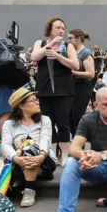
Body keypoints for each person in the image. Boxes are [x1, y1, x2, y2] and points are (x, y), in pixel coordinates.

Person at [31, 16, 79, 166]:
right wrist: (50, 46)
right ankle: (51, 152)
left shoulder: (68, 46)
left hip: (64, 90)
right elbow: (34, 57)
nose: (61, 30)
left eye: (63, 28)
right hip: (44, 89)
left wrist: (58, 56)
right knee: (47, 122)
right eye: (58, 27)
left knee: (63, 122)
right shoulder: (40, 43)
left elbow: (75, 65)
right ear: (50, 29)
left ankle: (65, 153)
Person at [1, 88, 56, 207]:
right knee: (25, 151)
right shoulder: (9, 124)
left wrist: (41, 156)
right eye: (33, 101)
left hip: (44, 162)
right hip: (19, 162)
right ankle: (23, 182)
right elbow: (5, 145)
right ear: (21, 106)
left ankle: (29, 191)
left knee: (29, 149)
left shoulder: (44, 120)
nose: (37, 102)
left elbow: (45, 140)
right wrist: (16, 158)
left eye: (37, 100)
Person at [68, 29, 95, 138]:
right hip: (71, 87)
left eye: (70, 38)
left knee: (77, 117)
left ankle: (79, 143)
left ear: (78, 38)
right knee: (69, 117)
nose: (68, 40)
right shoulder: (72, 52)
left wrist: (73, 73)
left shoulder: (85, 53)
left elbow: (91, 74)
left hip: (82, 87)